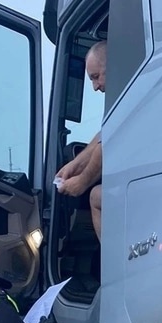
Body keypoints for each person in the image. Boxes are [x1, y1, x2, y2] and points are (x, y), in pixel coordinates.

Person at [55, 40, 106, 237]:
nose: (94, 87)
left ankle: (112, 266)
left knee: (95, 197)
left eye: (95, 77)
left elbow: (106, 146)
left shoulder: (126, 91)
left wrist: (82, 182)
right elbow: (103, 136)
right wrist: (74, 165)